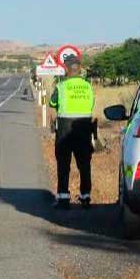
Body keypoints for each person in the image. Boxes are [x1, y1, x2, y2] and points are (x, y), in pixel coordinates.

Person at [48, 55, 95, 209]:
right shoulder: (88, 86)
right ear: (79, 68)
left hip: (65, 128)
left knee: (63, 162)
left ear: (66, 69)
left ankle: (63, 197)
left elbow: (52, 102)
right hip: (84, 127)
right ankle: (85, 196)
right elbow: (92, 103)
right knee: (84, 163)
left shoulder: (61, 86)